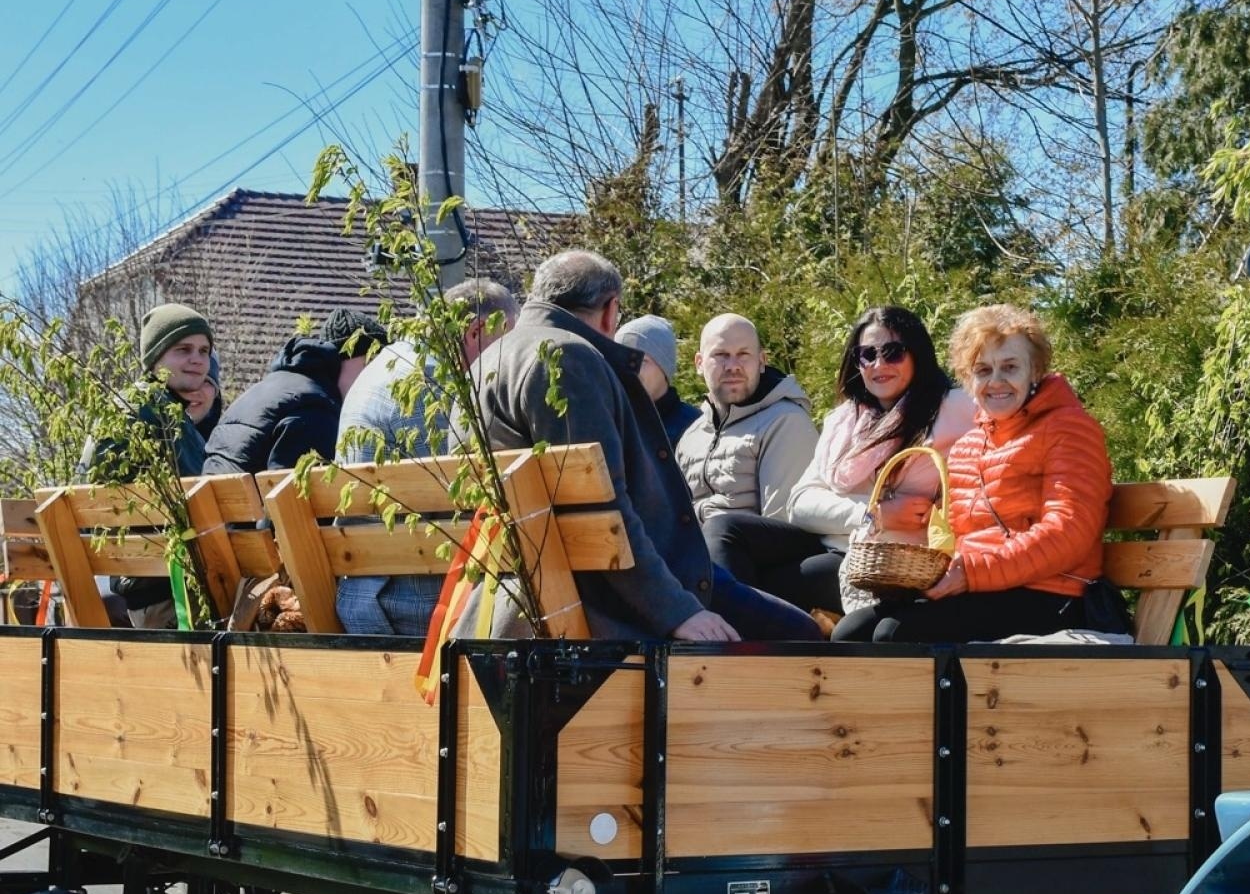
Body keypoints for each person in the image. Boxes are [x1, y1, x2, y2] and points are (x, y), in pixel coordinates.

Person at [465, 249, 820, 641]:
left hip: (517, 583)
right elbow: (602, 510)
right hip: (613, 598)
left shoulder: (487, 360)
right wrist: (677, 612)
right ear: (610, 311)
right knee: (802, 636)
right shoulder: (568, 358)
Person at [832, 304, 1112, 642]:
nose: (996, 382)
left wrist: (972, 573)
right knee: (851, 632)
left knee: (894, 635)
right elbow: (956, 536)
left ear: (1034, 371)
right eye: (982, 370)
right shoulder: (969, 445)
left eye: (1010, 367)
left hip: (1053, 593)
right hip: (981, 588)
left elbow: (1069, 532)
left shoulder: (1068, 428)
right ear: (968, 379)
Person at [703, 306, 975, 614]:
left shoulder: (954, 408)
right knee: (724, 530)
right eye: (867, 354)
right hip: (833, 542)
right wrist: (873, 513)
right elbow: (801, 503)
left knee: (764, 588)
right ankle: (726, 649)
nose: (879, 364)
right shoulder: (845, 421)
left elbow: (1006, 420)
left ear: (918, 355)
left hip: (894, 560)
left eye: (893, 352)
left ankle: (735, 649)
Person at [334, 278, 519, 636]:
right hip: (415, 603)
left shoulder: (388, 362)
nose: (507, 358)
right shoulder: (434, 386)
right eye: (506, 341)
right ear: (476, 331)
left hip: (364, 589)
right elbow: (466, 499)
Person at [81, 303, 217, 626]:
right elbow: (206, 495)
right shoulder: (157, 411)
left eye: (204, 350)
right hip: (174, 593)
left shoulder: (131, 404)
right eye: (183, 349)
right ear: (155, 358)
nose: (197, 359)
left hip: (140, 587)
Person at [201, 309, 384, 475]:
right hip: (255, 510)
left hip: (217, 508)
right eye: (370, 363)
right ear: (344, 357)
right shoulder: (316, 409)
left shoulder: (269, 389)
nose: (376, 379)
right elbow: (298, 501)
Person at [675, 313, 818, 522]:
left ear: (761, 361)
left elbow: (783, 529)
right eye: (721, 355)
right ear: (699, 363)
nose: (733, 366)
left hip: (750, 551)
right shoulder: (691, 436)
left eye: (743, 354)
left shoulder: (785, 422)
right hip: (690, 552)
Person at [616, 315, 698, 445]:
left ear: (664, 367)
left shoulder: (696, 428)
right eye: (621, 360)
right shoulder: (609, 423)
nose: (630, 370)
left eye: (642, 361)